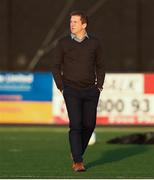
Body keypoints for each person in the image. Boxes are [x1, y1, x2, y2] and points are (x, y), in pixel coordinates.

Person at [51, 10, 105, 172]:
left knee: (89, 125)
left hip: (91, 91)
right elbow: (55, 66)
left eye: (75, 22)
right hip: (71, 90)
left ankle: (76, 153)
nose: (71, 24)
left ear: (84, 25)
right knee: (76, 125)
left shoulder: (95, 43)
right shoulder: (63, 43)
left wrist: (99, 86)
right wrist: (62, 87)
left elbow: (101, 66)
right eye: (70, 22)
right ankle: (78, 161)